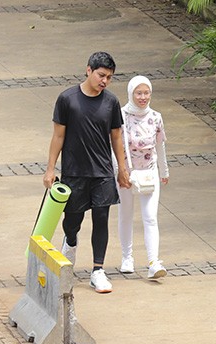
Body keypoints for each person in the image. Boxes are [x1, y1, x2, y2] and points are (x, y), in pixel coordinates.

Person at [43, 51, 130, 293]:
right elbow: (58, 136)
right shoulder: (67, 99)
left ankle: (98, 270)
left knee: (101, 218)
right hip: (75, 172)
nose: (105, 81)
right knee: (73, 221)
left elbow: (116, 137)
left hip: (102, 172)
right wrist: (51, 169)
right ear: (88, 70)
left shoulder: (111, 102)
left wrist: (122, 169)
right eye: (101, 75)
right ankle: (69, 245)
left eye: (110, 77)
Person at [118, 75, 169, 279]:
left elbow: (160, 145)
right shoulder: (121, 115)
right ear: (131, 93)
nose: (143, 97)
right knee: (126, 214)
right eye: (138, 93)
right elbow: (116, 146)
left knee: (150, 217)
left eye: (146, 93)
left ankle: (153, 261)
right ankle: (127, 257)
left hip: (149, 173)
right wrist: (119, 170)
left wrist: (163, 171)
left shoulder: (156, 117)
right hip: (127, 174)